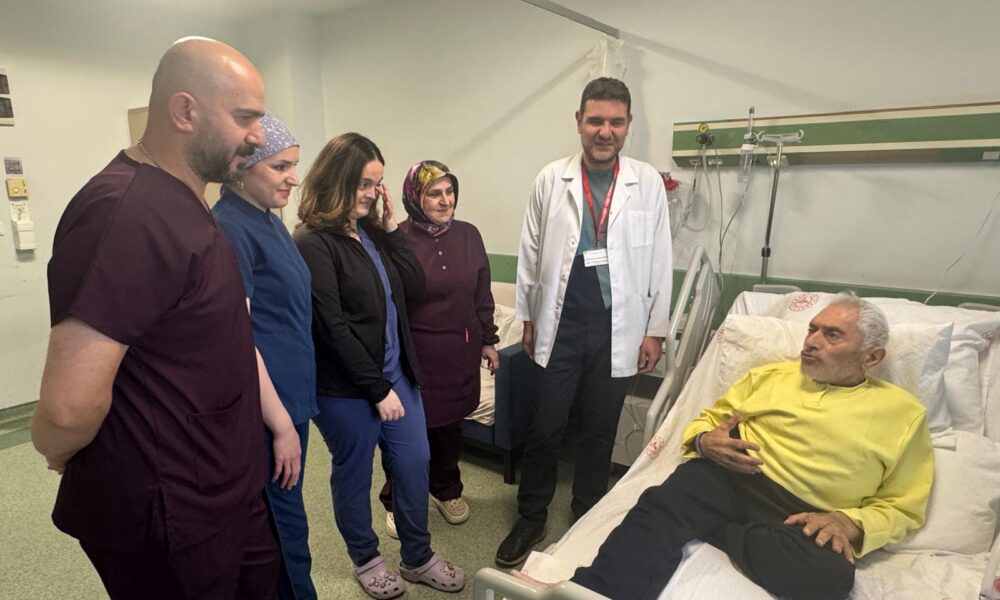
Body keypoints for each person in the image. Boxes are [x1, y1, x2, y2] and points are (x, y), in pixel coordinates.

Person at [33, 38, 281, 599]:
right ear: (185, 111)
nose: (259, 136)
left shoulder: (185, 198)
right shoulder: (123, 213)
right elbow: (68, 409)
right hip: (170, 513)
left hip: (224, 489)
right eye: (245, 118)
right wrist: (59, 450)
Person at [556, 296, 935, 600]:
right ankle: (591, 592)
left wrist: (850, 523)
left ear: (871, 357)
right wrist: (705, 441)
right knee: (662, 503)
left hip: (807, 513)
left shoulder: (903, 414)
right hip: (732, 478)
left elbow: (904, 504)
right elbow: (708, 419)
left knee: (831, 579)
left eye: (832, 335)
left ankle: (721, 529)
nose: (811, 342)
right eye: (812, 329)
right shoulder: (769, 377)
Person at [496, 77, 673, 567]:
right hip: (561, 325)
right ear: (579, 122)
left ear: (628, 124)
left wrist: (655, 329)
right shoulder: (551, 179)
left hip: (619, 327)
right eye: (595, 120)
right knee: (545, 427)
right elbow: (530, 252)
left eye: (615, 122)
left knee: (599, 430)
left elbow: (661, 258)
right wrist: (529, 317)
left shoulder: (646, 183)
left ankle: (587, 515)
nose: (604, 131)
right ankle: (531, 516)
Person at [294, 133, 465, 599]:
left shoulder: (368, 231)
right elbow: (331, 326)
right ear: (338, 180)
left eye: (377, 183)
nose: (372, 193)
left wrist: (391, 231)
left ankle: (417, 557)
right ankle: (366, 560)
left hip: (396, 376)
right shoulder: (312, 242)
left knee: (414, 463)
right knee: (354, 473)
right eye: (364, 184)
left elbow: (414, 288)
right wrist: (376, 389)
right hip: (345, 390)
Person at [213, 112, 319, 600]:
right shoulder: (231, 229)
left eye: (294, 165)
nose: (294, 178)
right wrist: (279, 426)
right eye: (280, 167)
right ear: (241, 168)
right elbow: (240, 339)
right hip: (268, 411)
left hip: (290, 400)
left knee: (288, 521)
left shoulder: (267, 221)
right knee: (283, 532)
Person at [378, 160, 500, 536]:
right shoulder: (396, 237)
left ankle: (446, 489)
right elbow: (386, 301)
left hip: (459, 351)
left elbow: (481, 293)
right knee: (406, 434)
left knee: (449, 430)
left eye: (450, 192)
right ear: (415, 197)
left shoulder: (469, 234)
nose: (446, 200)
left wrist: (489, 340)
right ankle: (398, 498)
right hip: (414, 355)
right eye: (434, 193)